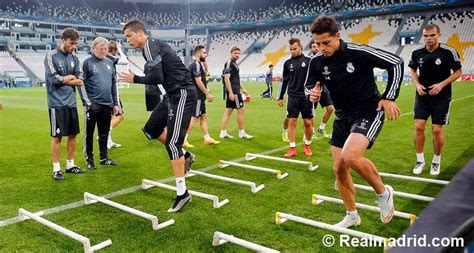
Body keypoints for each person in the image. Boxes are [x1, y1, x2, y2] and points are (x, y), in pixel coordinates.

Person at [307, 16, 403, 228]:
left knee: (350, 156)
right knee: (339, 169)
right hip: (342, 116)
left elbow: (396, 62)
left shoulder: (359, 52)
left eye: (326, 43)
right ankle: (352, 215)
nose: (321, 48)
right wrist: (313, 93)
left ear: (337, 36)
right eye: (317, 43)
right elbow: (310, 86)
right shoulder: (316, 62)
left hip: (368, 111)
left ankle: (383, 193)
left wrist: (389, 96)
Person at [119, 20, 196, 213]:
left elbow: (158, 77)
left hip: (182, 93)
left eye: (129, 35)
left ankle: (182, 193)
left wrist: (135, 78)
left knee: (172, 143)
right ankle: (186, 156)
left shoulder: (150, 46)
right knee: (151, 129)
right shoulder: (150, 47)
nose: (127, 40)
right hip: (171, 95)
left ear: (139, 32)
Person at [409, 24, 462, 176]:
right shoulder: (417, 53)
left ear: (439, 35)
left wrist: (441, 84)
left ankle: (436, 161)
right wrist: (417, 84)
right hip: (422, 96)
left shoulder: (448, 52)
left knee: (437, 129)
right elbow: (412, 69)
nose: (428, 39)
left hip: (442, 96)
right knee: (419, 127)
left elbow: (458, 71)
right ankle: (420, 160)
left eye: (432, 35)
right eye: (425, 36)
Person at [44, 28, 86, 180]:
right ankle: (56, 169)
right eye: (72, 43)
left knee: (73, 134)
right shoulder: (51, 56)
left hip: (71, 102)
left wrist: (66, 79)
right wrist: (70, 77)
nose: (74, 46)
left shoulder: (74, 58)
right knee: (57, 136)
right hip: (57, 103)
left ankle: (70, 165)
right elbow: (54, 80)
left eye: (75, 44)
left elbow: (81, 80)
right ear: (63, 40)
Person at [79, 37, 120, 169]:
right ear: (94, 48)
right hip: (93, 105)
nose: (103, 51)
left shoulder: (109, 62)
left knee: (104, 132)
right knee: (89, 133)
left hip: (107, 104)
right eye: (101, 49)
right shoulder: (87, 62)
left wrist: (115, 103)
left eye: (105, 49)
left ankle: (104, 157)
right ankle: (89, 159)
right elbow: (81, 83)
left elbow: (113, 84)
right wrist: (87, 102)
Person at [277, 38, 313, 157]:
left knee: (308, 123)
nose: (292, 51)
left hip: (306, 96)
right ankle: (292, 149)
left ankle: (307, 145)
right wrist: (280, 96)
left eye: (295, 49)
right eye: (291, 49)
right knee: (292, 121)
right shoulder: (287, 63)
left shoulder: (309, 61)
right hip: (292, 96)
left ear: (301, 47)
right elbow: (285, 81)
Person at [183, 45, 220, 148]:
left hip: (199, 95)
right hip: (196, 96)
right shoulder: (196, 64)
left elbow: (202, 79)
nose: (205, 54)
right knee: (195, 117)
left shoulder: (199, 64)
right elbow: (198, 81)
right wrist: (207, 93)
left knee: (203, 117)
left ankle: (207, 139)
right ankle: (183, 139)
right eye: (204, 53)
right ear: (198, 53)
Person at [219, 45, 253, 140]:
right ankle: (242, 133)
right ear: (231, 53)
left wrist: (243, 89)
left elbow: (235, 78)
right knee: (241, 110)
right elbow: (227, 78)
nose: (237, 55)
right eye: (235, 53)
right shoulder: (229, 63)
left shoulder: (234, 63)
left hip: (235, 90)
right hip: (233, 91)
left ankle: (223, 132)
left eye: (238, 53)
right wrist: (230, 92)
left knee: (229, 111)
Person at [309, 40, 335, 139]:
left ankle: (322, 128)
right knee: (312, 113)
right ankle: (312, 132)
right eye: (313, 47)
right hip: (314, 89)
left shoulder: (326, 59)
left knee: (330, 108)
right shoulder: (311, 61)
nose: (315, 48)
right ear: (311, 49)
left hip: (324, 88)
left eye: (317, 46)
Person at [105, 41, 127, 149]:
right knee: (120, 116)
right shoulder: (109, 57)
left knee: (109, 117)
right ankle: (104, 134)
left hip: (107, 91)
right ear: (113, 50)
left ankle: (108, 142)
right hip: (112, 91)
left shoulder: (104, 58)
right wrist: (120, 49)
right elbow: (125, 60)